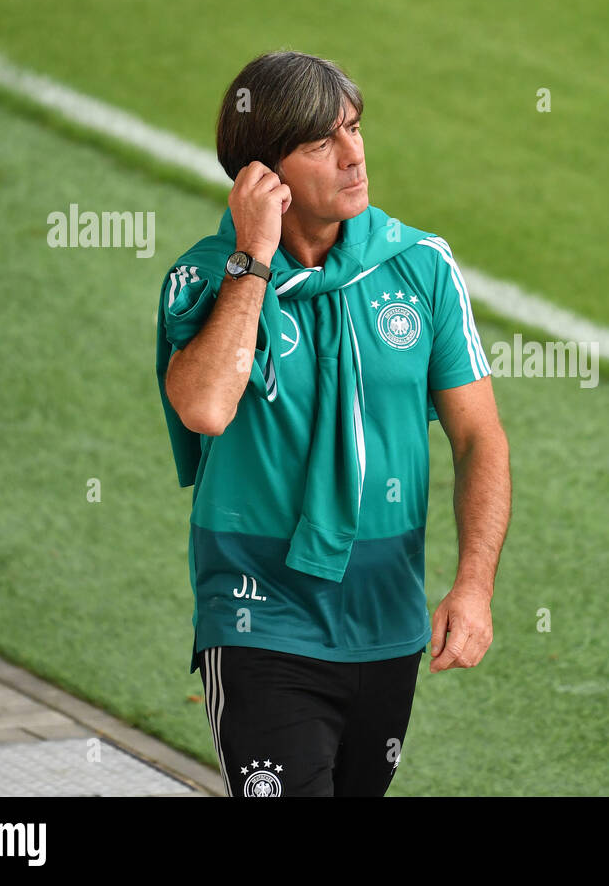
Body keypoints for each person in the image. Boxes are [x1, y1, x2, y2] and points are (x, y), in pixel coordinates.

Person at [154, 51, 511, 797]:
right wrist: (254, 259)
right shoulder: (205, 276)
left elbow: (480, 437)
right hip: (259, 617)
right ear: (265, 176)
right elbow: (206, 405)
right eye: (321, 143)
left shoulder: (421, 266)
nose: (354, 157)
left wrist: (473, 586)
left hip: (386, 618)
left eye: (352, 129)